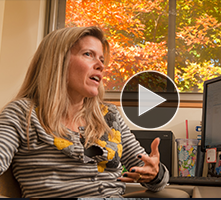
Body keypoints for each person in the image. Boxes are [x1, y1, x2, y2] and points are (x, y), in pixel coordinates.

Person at [0, 26, 169, 198]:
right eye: (88, 54)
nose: (101, 65)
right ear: (57, 61)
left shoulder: (109, 116)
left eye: (102, 59)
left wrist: (155, 174)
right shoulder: (22, 114)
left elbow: (152, 175)